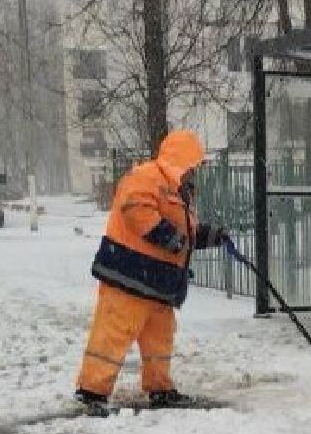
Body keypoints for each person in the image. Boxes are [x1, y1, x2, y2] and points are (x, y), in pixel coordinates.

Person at [74, 129, 229, 413]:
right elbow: (135, 209)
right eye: (193, 164)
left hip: (159, 283)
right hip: (129, 275)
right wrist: (169, 238)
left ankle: (161, 389)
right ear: (182, 159)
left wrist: (211, 236)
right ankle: (92, 391)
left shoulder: (179, 191)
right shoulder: (147, 176)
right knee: (113, 334)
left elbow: (185, 234)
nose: (195, 171)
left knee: (160, 339)